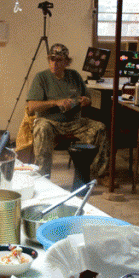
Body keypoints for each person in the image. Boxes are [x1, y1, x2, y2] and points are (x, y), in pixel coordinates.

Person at [26, 43, 108, 179]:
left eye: (59, 60)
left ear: (66, 62)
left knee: (100, 128)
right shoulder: (41, 78)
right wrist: (55, 102)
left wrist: (86, 101)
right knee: (41, 128)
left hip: (74, 122)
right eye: (52, 59)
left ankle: (97, 174)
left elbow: (88, 97)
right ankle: (42, 175)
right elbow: (32, 107)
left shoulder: (74, 76)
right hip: (50, 122)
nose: (55, 63)